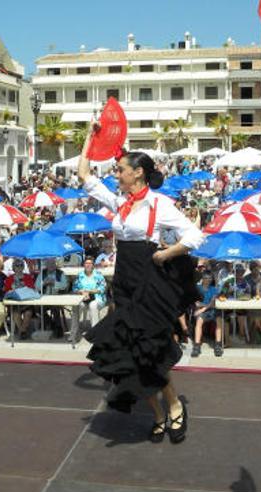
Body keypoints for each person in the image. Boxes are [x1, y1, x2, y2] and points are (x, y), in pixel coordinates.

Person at [79, 130, 204, 444]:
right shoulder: (119, 200)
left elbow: (194, 236)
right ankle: (160, 413)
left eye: (120, 169)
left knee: (150, 348)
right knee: (132, 351)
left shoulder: (158, 204)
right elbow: (84, 174)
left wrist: (167, 253)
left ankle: (174, 404)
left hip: (149, 280)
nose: (115, 173)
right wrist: (90, 139)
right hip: (124, 281)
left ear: (138, 173)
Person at [4, 259, 36, 339]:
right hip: (15, 301)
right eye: (17, 265)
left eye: (21, 265)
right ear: (13, 267)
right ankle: (23, 331)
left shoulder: (28, 277)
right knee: (15, 313)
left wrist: (25, 286)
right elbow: (6, 291)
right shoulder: (10, 278)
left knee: (28, 313)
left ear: (23, 267)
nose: (19, 267)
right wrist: (11, 288)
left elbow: (32, 288)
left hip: (26, 301)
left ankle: (22, 331)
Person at [191, 271, 220, 358]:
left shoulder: (214, 289)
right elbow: (196, 303)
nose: (208, 280)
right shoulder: (197, 288)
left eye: (210, 278)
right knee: (199, 321)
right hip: (203, 311)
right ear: (202, 279)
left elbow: (213, 304)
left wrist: (202, 308)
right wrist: (204, 306)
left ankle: (218, 344)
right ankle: (196, 345)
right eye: (206, 278)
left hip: (210, 310)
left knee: (219, 320)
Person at [72, 257, 107, 329]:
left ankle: (95, 331)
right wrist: (81, 292)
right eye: (86, 263)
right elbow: (74, 288)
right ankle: (74, 332)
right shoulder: (80, 275)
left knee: (93, 305)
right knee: (77, 306)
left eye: (90, 263)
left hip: (97, 297)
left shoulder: (98, 275)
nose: (88, 265)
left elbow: (103, 288)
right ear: (84, 265)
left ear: (93, 265)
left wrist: (89, 292)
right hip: (83, 298)